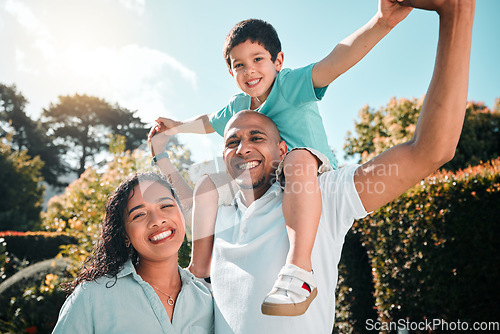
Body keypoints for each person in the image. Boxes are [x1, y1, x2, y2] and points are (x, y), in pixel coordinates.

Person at [148, 0, 475, 332]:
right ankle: (199, 270)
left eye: (258, 60)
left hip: (308, 174)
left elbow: (336, 60)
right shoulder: (236, 120)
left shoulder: (291, 87)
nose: (249, 71)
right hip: (278, 176)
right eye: (239, 65)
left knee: (298, 161)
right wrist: (173, 129)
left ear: (278, 61)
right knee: (205, 184)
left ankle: (299, 269)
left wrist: (381, 22)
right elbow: (206, 123)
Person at [52, 172, 214, 333]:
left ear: (182, 215)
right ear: (125, 235)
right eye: (139, 215)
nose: (157, 220)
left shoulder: (206, 299)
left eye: (166, 206)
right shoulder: (92, 297)